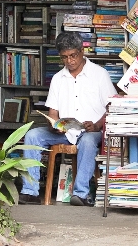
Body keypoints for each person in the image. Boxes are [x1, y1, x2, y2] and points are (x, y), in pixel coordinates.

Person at [19, 31, 117, 206]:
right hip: (66, 131)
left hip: (91, 131)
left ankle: (80, 194)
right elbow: (53, 112)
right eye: (64, 57)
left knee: (87, 142)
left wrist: (96, 125)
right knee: (33, 135)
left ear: (82, 51)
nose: (69, 61)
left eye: (73, 55)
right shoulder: (58, 79)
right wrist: (55, 124)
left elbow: (112, 106)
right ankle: (30, 191)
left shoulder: (99, 74)